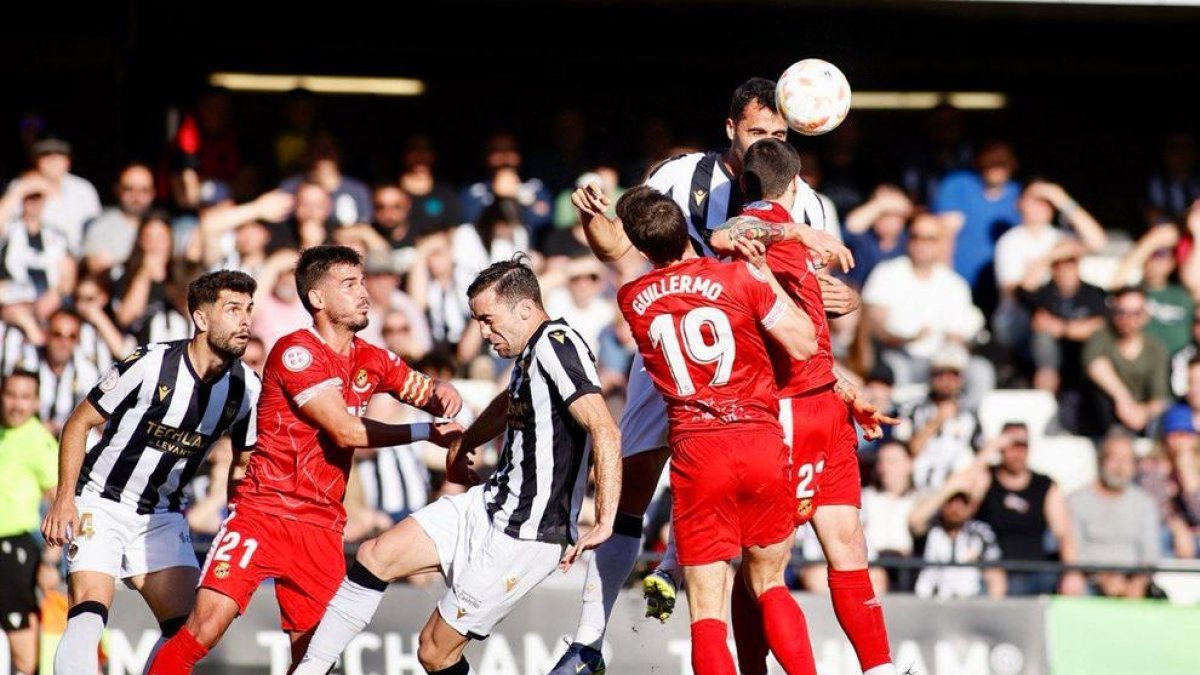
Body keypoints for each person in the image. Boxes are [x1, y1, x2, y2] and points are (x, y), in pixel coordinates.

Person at [554, 77, 857, 674]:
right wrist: (596, 221)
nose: (768, 143)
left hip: (756, 366)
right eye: (756, 132)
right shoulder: (678, 176)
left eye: (779, 133)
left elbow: (820, 302)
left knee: (745, 548)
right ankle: (590, 639)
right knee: (640, 486)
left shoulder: (812, 201)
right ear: (730, 129)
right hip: (689, 362)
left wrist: (841, 300)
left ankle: (672, 573)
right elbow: (622, 239)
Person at [293, 257, 621, 675]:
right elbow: (508, 404)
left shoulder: (558, 344)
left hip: (525, 534)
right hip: (487, 505)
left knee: (433, 651)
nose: (483, 333)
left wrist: (605, 519)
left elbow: (604, 427)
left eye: (487, 319)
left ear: (524, 308)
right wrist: (466, 440)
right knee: (376, 554)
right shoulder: (530, 351)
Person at [145, 246, 464, 674]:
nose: (364, 293)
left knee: (315, 658)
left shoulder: (371, 357)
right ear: (317, 298)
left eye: (363, 282)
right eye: (349, 284)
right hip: (264, 512)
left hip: (322, 527)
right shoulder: (296, 352)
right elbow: (346, 431)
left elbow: (424, 389)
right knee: (204, 626)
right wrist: (425, 430)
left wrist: (444, 393)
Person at [644, 140, 898, 675]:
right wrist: (799, 231)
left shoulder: (775, 231)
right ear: (797, 182)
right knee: (763, 564)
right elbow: (726, 235)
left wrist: (845, 387)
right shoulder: (757, 226)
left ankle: (879, 668)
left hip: (823, 400)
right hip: (785, 408)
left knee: (844, 545)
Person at [614, 185, 821, 675]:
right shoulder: (738, 277)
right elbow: (805, 343)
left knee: (707, 613)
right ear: (688, 230)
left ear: (642, 249)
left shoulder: (632, 298)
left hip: (697, 450)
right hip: (757, 438)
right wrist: (763, 273)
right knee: (770, 584)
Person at [40, 270, 262, 675]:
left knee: (190, 630)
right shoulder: (149, 364)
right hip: (101, 500)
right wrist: (64, 499)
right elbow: (77, 423)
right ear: (201, 319)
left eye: (249, 309)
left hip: (161, 516)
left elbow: (244, 463)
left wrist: (238, 523)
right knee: (89, 612)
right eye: (233, 309)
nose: (245, 320)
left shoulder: (245, 388)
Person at [969, 423, 1082, 596]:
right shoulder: (986, 478)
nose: (1018, 452)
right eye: (1011, 445)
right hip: (991, 573)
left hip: (1036, 574)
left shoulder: (1045, 485)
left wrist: (1072, 573)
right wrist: (988, 451)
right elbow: (962, 488)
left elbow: (1063, 533)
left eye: (1023, 445)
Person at [0, 369, 58, 675]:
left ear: (36, 402)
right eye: (11, 395)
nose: (16, 405)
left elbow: (59, 504)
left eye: (25, 397)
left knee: (22, 645)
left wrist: (51, 560)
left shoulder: (39, 441)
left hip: (14, 549)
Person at [1068, 432, 1161, 598]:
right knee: (1072, 585)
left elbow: (1150, 555)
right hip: (1091, 580)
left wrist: (1137, 583)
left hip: (1133, 582)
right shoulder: (1077, 501)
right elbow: (1074, 551)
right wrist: (1102, 578)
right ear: (1101, 460)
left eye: (1127, 461)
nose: (1120, 467)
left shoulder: (1144, 503)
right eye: (1114, 459)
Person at [1084, 286, 1170, 435]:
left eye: (1135, 313)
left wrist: (1142, 413)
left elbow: (1159, 397)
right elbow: (1095, 365)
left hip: (1143, 418)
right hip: (1107, 415)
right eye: (1121, 313)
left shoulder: (1156, 348)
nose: (1128, 319)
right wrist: (1123, 399)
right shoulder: (1102, 337)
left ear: (1145, 316)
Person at [82, 162, 158, 275]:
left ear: (153, 193)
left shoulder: (161, 226)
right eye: (129, 189)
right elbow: (94, 266)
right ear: (117, 190)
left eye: (144, 190)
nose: (136, 196)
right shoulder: (101, 226)